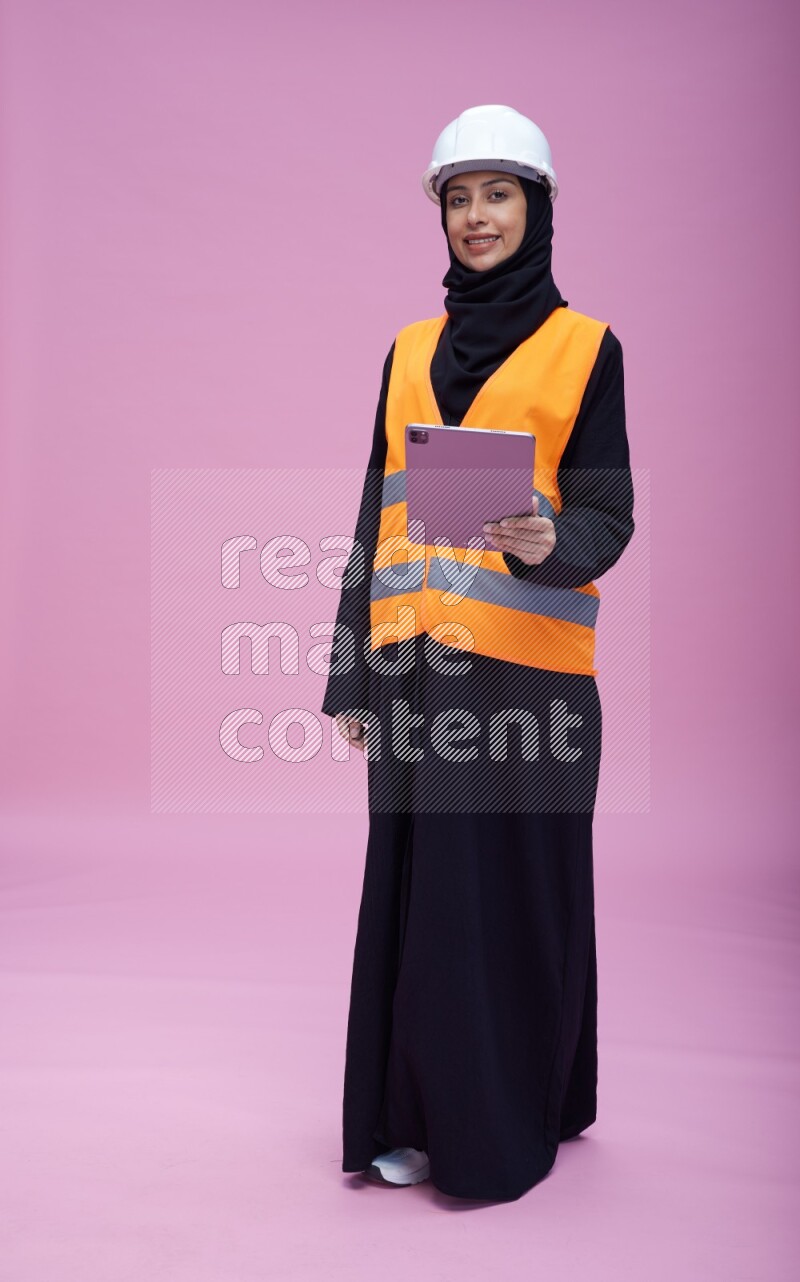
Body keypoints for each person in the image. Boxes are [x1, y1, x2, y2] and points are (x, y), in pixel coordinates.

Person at [321, 104, 635, 1202]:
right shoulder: (406, 350)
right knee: (417, 901)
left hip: (529, 684)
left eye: (495, 193)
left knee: (507, 900)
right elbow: (376, 517)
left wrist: (556, 539)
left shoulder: (586, 348)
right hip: (415, 681)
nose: (474, 216)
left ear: (535, 207)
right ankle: (412, 1116)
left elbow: (608, 512)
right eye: (456, 198)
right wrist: (349, 672)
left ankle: (511, 1124)